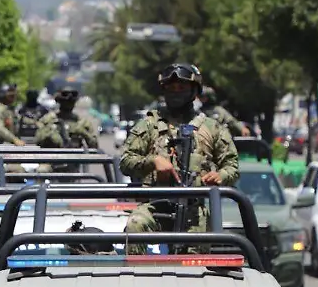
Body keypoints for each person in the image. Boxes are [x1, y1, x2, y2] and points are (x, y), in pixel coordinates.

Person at [120, 63, 240, 253]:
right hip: (156, 204)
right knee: (135, 226)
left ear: (194, 91)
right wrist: (153, 161)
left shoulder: (212, 128)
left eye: (182, 88)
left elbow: (232, 166)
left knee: (194, 265)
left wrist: (221, 176)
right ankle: (137, 279)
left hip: (193, 210)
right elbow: (126, 161)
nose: (176, 92)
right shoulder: (150, 124)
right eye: (171, 88)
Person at [34, 85, 99, 150]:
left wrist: (82, 132)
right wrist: (51, 131)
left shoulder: (82, 122)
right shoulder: (48, 119)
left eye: (71, 102)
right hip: (51, 157)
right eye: (65, 101)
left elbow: (94, 145)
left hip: (75, 157)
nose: (68, 103)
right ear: (59, 101)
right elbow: (38, 140)